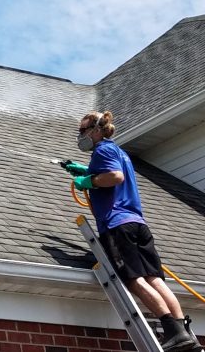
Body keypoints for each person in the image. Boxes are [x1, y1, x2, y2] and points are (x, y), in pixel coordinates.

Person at [65, 111, 201, 352]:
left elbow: (114, 177)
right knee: (155, 280)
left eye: (83, 130)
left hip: (118, 226)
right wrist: (86, 172)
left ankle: (171, 329)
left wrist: (89, 182)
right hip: (137, 223)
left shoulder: (103, 150)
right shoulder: (119, 152)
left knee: (133, 280)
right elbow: (113, 173)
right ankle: (184, 333)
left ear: (96, 130)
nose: (80, 135)